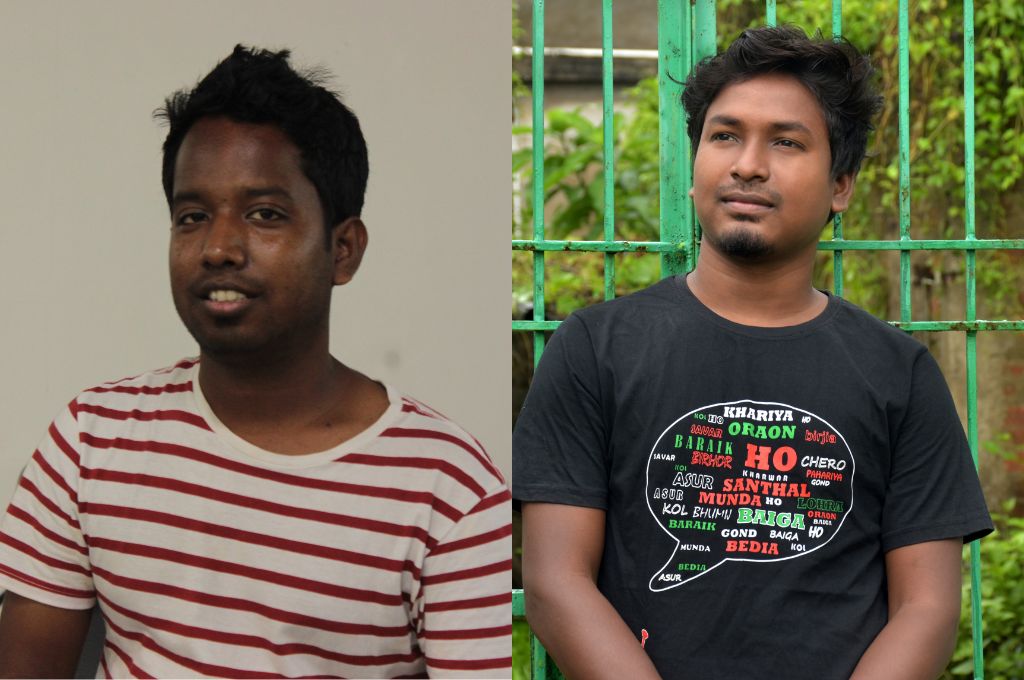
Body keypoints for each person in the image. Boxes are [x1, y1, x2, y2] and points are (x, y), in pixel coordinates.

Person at [0, 45, 511, 679]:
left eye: (264, 214)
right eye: (192, 217)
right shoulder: (89, 439)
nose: (217, 247)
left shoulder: (447, 486)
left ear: (343, 250)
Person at [513, 26, 992, 680]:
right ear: (695, 165)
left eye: (787, 142)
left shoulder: (898, 374)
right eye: (725, 135)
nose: (747, 165)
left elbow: (928, 606)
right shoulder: (594, 349)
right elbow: (555, 582)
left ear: (841, 185)